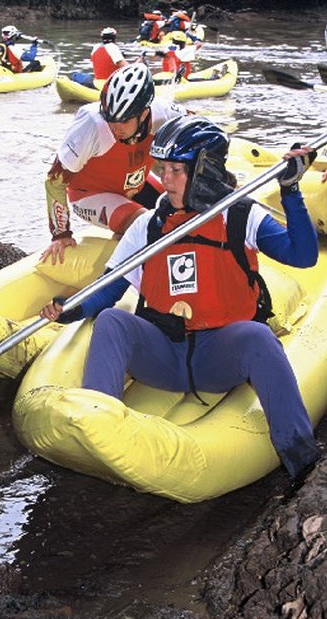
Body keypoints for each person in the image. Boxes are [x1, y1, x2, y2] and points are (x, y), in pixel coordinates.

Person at [40, 116, 321, 483]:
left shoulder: (240, 215)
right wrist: (69, 309)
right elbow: (108, 291)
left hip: (218, 356)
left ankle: (302, 460)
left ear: (204, 172)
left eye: (176, 169)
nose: (165, 178)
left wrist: (290, 191)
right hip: (164, 353)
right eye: (163, 168)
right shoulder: (149, 225)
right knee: (112, 322)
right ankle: (98, 422)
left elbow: (302, 256)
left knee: (258, 338)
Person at [42, 63, 186, 264]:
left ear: (144, 114)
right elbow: (54, 182)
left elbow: (204, 135)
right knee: (150, 225)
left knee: (187, 209)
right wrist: (61, 233)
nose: (116, 127)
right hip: (89, 195)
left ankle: (124, 240)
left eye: (124, 121)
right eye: (111, 118)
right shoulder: (91, 124)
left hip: (135, 184)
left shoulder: (166, 113)